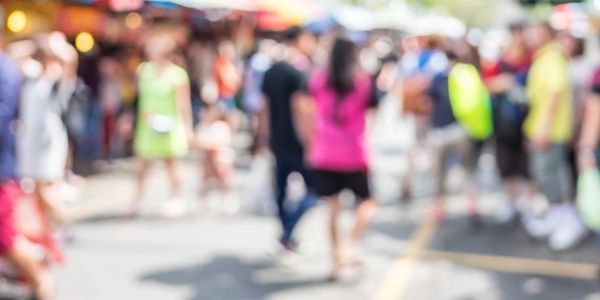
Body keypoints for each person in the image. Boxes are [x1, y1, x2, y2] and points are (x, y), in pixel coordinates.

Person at [297, 36, 377, 280]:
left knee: (332, 207)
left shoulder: (318, 80)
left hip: (324, 152)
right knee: (367, 202)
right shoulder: (362, 82)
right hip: (354, 153)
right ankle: (350, 244)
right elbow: (373, 115)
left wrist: (310, 144)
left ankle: (336, 260)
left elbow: (305, 112)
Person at [1, 34, 55, 299]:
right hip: (12, 162)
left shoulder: (6, 68)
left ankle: (41, 279)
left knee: (6, 237)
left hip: (6, 167)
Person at [521, 23, 583, 250]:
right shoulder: (545, 57)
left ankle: (568, 222)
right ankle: (556, 219)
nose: (530, 38)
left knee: (553, 176)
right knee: (544, 176)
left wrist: (544, 129)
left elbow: (555, 94)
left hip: (551, 131)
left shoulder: (552, 57)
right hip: (541, 128)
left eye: (535, 33)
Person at [259, 26, 318, 252]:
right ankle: (287, 232)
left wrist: (263, 136)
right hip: (297, 142)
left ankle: (286, 235)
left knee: (281, 191)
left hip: (277, 138)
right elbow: (301, 111)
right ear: (300, 39)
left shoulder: (271, 70)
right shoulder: (298, 72)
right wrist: (310, 141)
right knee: (315, 190)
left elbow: (263, 110)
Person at [131, 34, 193, 218]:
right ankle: (136, 201)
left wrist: (187, 127)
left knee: (171, 163)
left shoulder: (177, 74)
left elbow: (183, 103)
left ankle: (177, 197)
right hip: (147, 125)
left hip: (169, 124)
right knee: (142, 165)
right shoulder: (143, 71)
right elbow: (136, 98)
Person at [482, 24, 533, 224]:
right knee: (506, 164)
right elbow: (485, 84)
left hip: (526, 121)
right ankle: (511, 202)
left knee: (526, 166)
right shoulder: (499, 62)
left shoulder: (531, 60)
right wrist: (502, 83)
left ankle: (528, 204)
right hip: (503, 123)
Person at [195, 104, 237, 214]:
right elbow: (198, 142)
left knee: (224, 180)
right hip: (207, 160)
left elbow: (218, 143)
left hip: (221, 160)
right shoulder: (203, 127)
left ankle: (227, 198)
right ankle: (203, 202)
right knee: (205, 181)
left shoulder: (221, 127)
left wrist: (208, 145)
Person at [214, 40, 241, 111]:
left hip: (230, 96)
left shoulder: (229, 64)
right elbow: (228, 82)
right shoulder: (220, 64)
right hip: (224, 96)